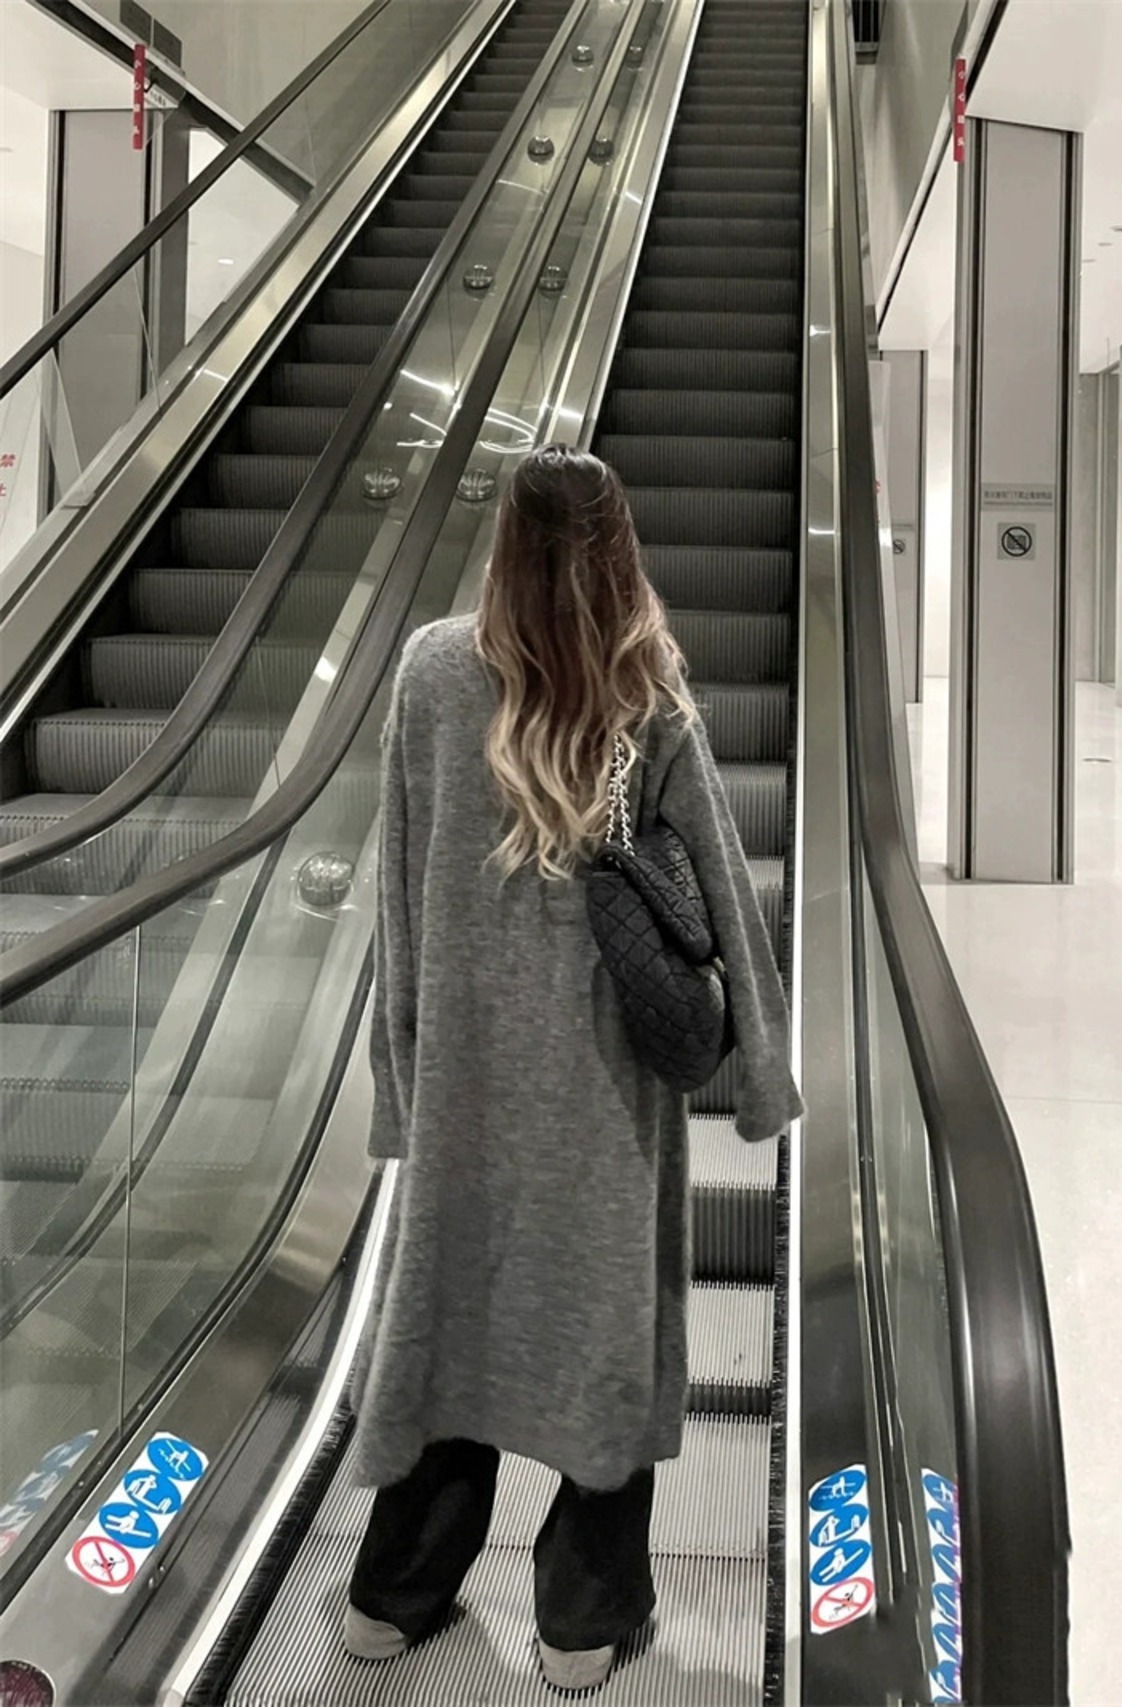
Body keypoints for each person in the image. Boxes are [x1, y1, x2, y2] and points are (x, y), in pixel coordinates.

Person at [343, 444, 802, 1691]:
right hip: (603, 1092)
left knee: (449, 1324)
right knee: (601, 1341)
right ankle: (580, 1627)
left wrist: (398, 1081)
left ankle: (392, 1598)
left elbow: (397, 894)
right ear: (619, 545)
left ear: (502, 543)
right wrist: (762, 1075)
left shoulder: (432, 671)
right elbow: (720, 884)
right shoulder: (645, 687)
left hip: (467, 1086)